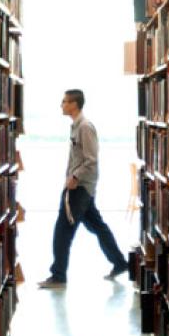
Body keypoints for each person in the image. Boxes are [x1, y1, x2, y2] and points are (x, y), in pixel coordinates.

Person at [38, 89, 129, 288]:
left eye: (64, 101)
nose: (61, 105)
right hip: (80, 188)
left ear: (74, 104)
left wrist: (75, 177)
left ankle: (58, 276)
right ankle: (120, 263)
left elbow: (91, 160)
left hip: (79, 188)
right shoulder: (76, 127)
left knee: (62, 230)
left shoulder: (85, 128)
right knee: (97, 226)